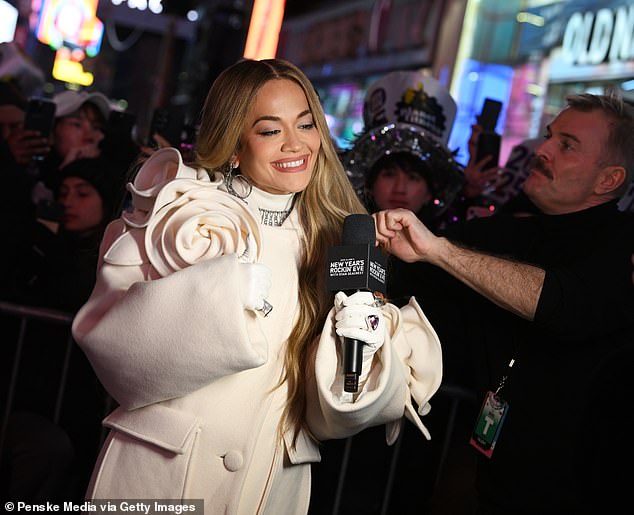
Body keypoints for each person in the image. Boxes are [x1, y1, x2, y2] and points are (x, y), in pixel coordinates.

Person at [71, 58, 443, 513]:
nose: (296, 143)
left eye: (306, 124)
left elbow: (328, 412)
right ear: (232, 144)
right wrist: (220, 293)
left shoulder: (339, 239)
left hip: (270, 486)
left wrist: (367, 354)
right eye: (270, 130)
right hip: (161, 479)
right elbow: (113, 351)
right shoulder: (181, 215)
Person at [373, 90, 634, 515]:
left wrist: (439, 251)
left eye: (566, 145)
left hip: (579, 489)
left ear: (608, 179)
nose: (543, 150)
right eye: (549, 136)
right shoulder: (507, 231)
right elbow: (413, 282)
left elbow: (565, 303)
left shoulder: (622, 244)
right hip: (485, 475)